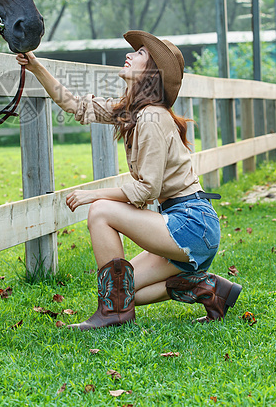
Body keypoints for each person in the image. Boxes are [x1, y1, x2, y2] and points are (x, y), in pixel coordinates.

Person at [16, 31, 242, 330]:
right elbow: (76, 106)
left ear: (151, 73)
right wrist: (35, 66)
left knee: (100, 211)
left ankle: (113, 315)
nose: (131, 54)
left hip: (191, 224)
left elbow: (146, 189)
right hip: (182, 224)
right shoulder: (133, 112)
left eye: (140, 54)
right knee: (125, 291)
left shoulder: (153, 118)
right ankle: (209, 289)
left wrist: (92, 195)